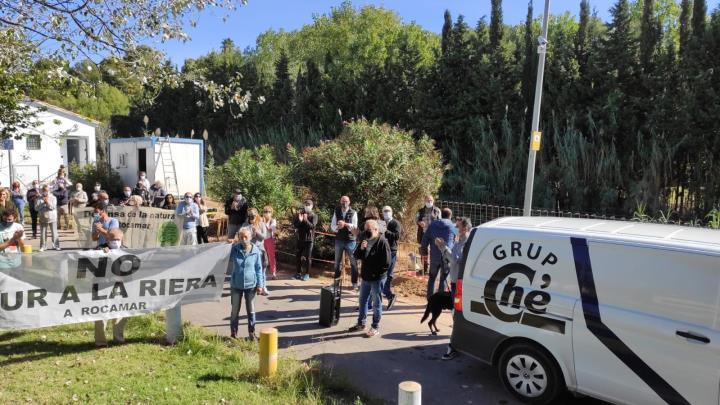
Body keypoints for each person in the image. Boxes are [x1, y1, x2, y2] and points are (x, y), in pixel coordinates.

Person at [436, 217, 472, 360]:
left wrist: (443, 247)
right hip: (455, 282)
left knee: (457, 314)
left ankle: (454, 346)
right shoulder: (459, 241)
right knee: (456, 314)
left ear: (465, 228)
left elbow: (455, 260)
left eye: (457, 226)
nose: (455, 228)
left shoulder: (466, 243)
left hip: (460, 284)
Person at [348, 220, 391, 338]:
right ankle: (361, 323)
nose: (366, 232)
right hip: (365, 277)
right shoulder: (365, 239)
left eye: (369, 230)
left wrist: (375, 274)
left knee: (377, 303)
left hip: (377, 279)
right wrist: (361, 248)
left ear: (376, 230)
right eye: (365, 229)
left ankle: (375, 326)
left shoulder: (382, 242)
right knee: (362, 301)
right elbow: (356, 255)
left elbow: (387, 264)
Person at [93, 228, 128, 347]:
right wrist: (101, 254)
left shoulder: (126, 251)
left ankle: (118, 338)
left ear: (122, 239)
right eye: (112, 239)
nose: (115, 242)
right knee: (101, 315)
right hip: (103, 287)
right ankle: (101, 341)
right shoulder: (100, 248)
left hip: (119, 287)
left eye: (117, 239)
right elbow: (90, 260)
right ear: (107, 239)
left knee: (120, 313)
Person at [228, 228, 264, 341]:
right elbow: (224, 257)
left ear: (251, 237)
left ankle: (251, 332)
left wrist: (260, 284)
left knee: (251, 310)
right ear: (238, 238)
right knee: (234, 310)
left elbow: (259, 268)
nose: (243, 240)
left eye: (246, 237)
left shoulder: (255, 251)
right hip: (236, 285)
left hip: (251, 286)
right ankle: (233, 333)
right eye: (241, 237)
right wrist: (227, 245)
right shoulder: (234, 249)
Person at [421, 208, 455, 299]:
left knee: (432, 278)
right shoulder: (452, 226)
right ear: (450, 216)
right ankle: (440, 301)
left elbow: (425, 239)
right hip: (446, 256)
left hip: (434, 256)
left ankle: (430, 300)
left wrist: (424, 251)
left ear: (441, 215)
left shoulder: (433, 225)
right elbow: (457, 240)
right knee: (443, 278)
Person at [331, 195, 359, 290]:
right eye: (343, 201)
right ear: (340, 202)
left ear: (349, 202)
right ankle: (336, 283)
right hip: (339, 240)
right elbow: (332, 226)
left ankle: (354, 283)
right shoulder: (337, 211)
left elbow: (355, 226)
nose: (344, 203)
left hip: (351, 241)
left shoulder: (353, 212)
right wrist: (337, 228)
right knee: (337, 263)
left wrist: (345, 224)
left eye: (346, 201)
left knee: (354, 263)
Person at [241, 208, 269, 295]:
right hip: (249, 250)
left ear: (256, 215)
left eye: (253, 216)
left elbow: (264, 237)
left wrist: (256, 231)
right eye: (250, 216)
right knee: (251, 269)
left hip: (260, 249)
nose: (251, 218)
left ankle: (263, 286)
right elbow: (241, 234)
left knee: (261, 269)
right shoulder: (245, 224)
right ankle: (252, 286)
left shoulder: (261, 224)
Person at [381, 206, 402, 310]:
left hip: (391, 251)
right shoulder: (380, 222)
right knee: (382, 274)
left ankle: (389, 295)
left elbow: (397, 236)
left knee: (388, 274)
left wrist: (386, 231)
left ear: (392, 212)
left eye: (388, 211)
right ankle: (388, 295)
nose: (386, 212)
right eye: (384, 211)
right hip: (381, 250)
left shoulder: (395, 223)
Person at [292, 199, 318, 281]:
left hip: (309, 240)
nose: (307, 206)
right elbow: (295, 225)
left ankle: (307, 274)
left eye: (309, 204)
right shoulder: (300, 214)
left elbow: (312, 226)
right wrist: (300, 221)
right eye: (306, 204)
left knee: (308, 257)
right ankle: (298, 273)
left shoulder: (314, 215)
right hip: (300, 238)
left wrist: (305, 220)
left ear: (312, 206)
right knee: (298, 256)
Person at [416, 195, 441, 275]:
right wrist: (419, 223)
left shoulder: (437, 210)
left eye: (430, 200)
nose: (429, 202)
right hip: (423, 234)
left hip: (434, 234)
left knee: (433, 251)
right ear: (424, 201)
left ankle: (432, 269)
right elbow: (416, 220)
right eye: (427, 200)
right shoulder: (420, 211)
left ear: (433, 201)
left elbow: (440, 221)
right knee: (423, 251)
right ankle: (425, 268)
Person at [36, 184, 59, 251]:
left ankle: (56, 245)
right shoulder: (39, 198)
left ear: (49, 191)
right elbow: (36, 208)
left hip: (52, 217)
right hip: (43, 217)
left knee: (54, 232)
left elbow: (53, 207)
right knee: (43, 233)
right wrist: (43, 203)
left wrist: (47, 202)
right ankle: (43, 246)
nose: (45, 192)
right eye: (44, 190)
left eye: (47, 190)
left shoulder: (53, 197)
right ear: (42, 191)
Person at [262, 205, 278, 280]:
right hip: (261, 240)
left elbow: (270, 229)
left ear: (271, 213)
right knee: (262, 257)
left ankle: (273, 273)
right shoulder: (261, 220)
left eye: (269, 212)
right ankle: (262, 273)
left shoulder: (273, 220)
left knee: (271, 257)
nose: (267, 213)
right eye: (266, 212)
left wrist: (265, 223)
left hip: (269, 240)